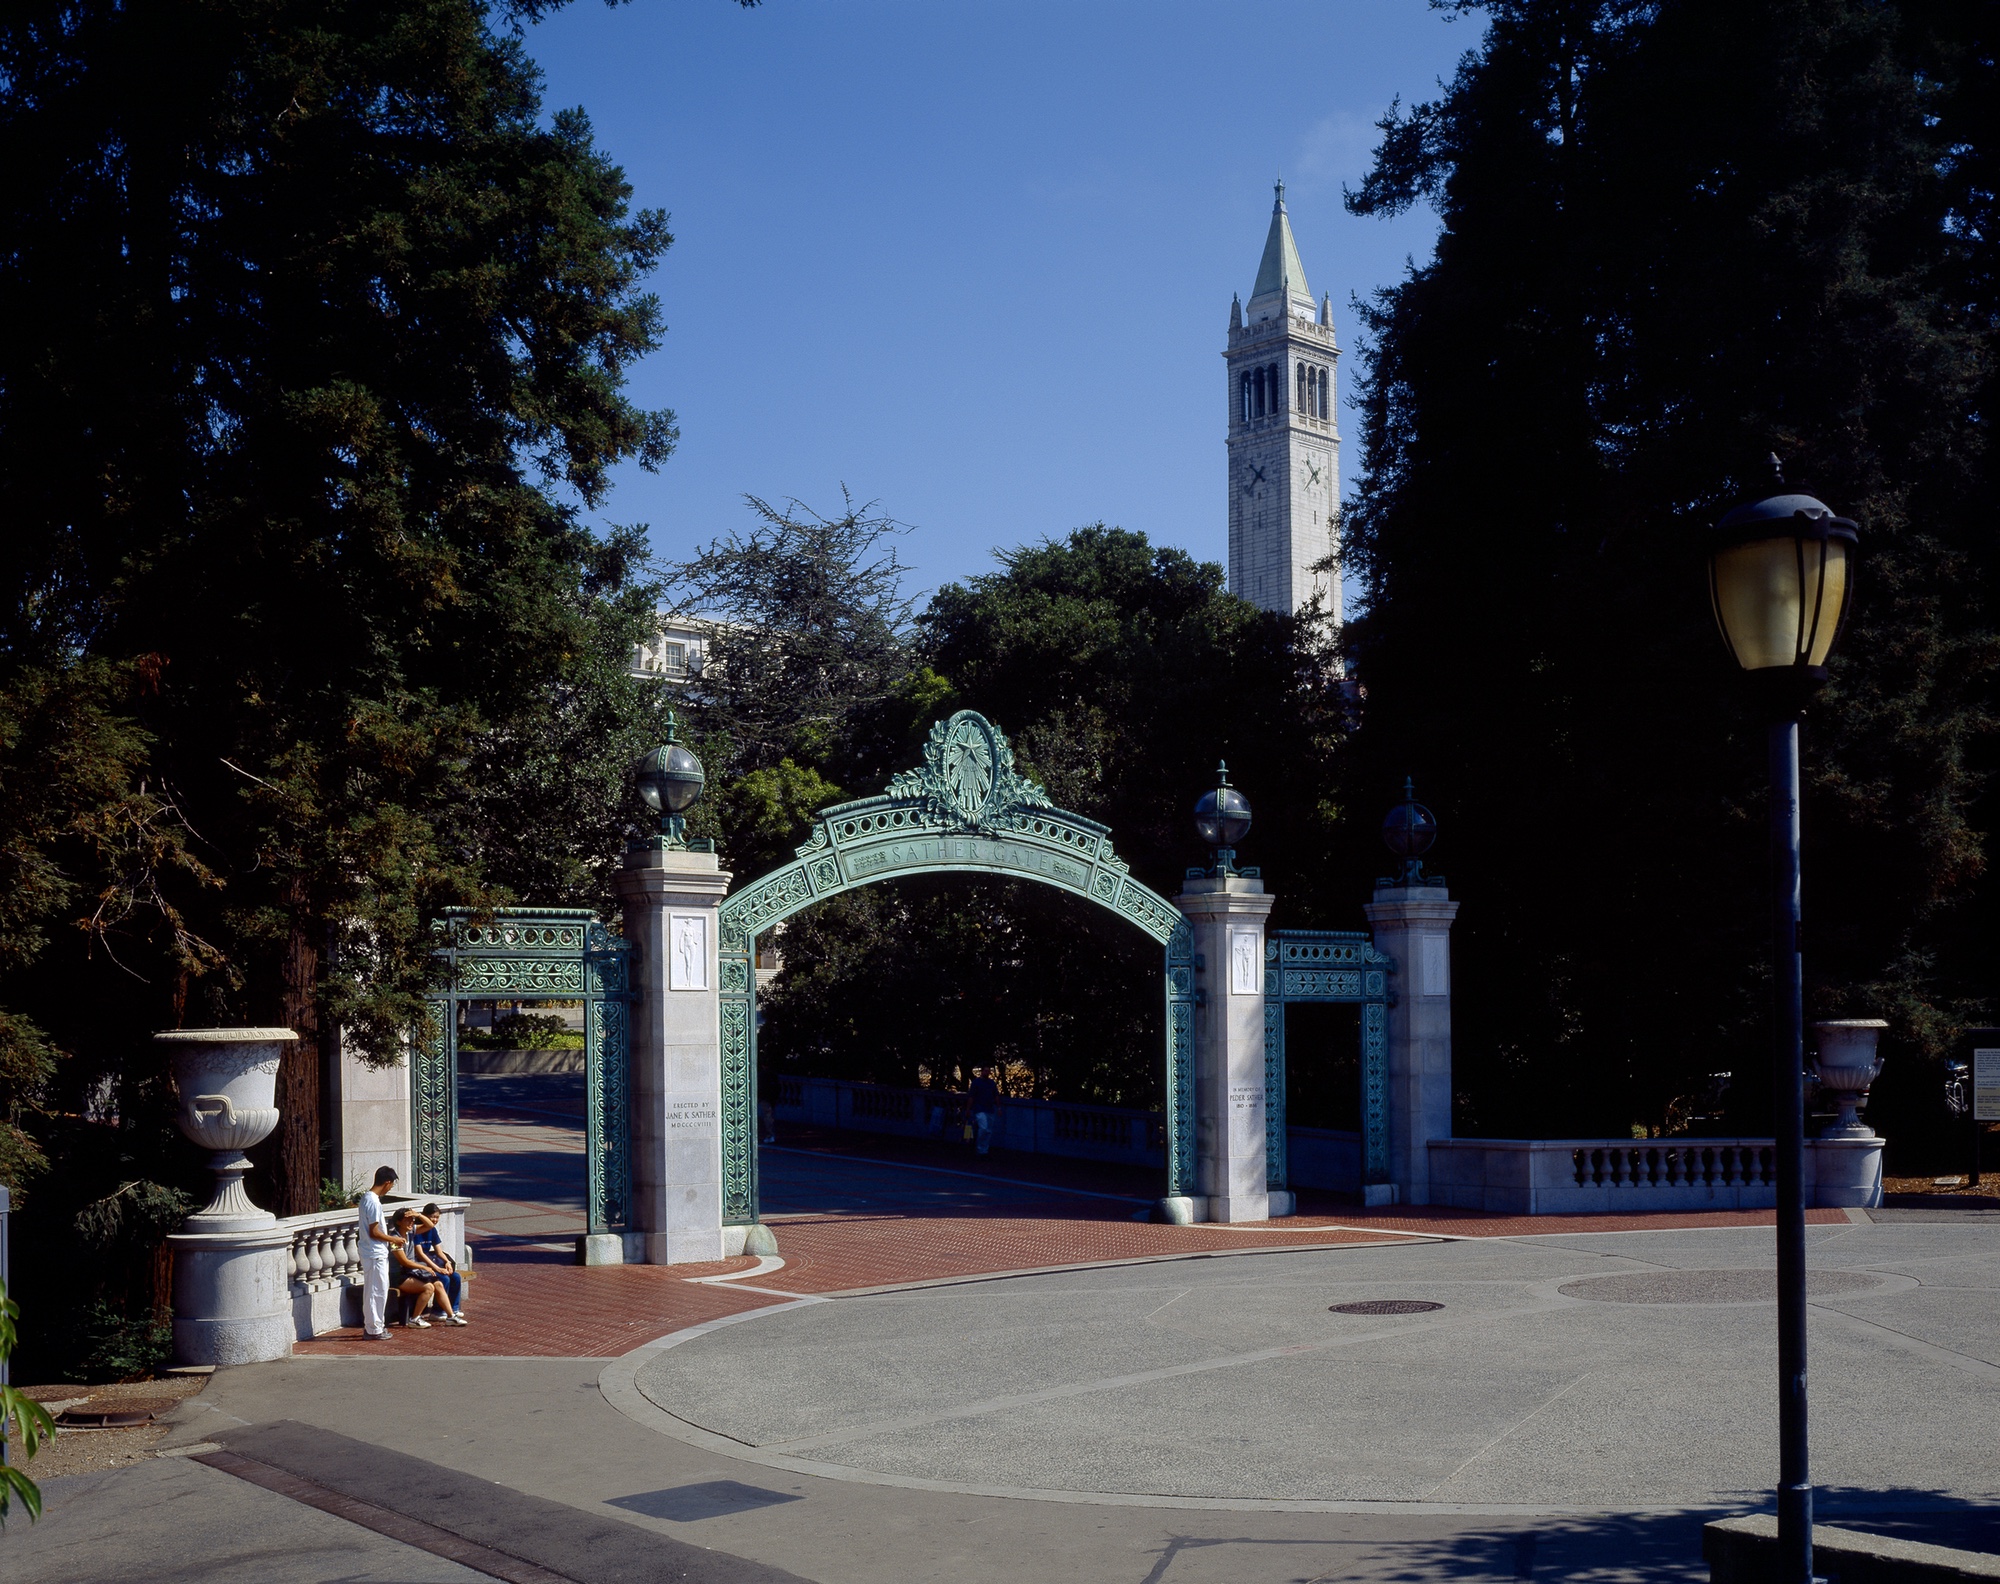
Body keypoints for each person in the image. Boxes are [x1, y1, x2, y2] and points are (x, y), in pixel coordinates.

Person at [358, 1166, 405, 1340]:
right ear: (387, 1183)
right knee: (376, 1291)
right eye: (391, 1185)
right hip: (374, 1253)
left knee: (377, 1290)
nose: (390, 1188)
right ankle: (373, 1328)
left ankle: (374, 1326)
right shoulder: (373, 1202)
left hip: (372, 1251)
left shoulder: (367, 1199)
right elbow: (374, 1232)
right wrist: (394, 1240)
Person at [388, 1208, 454, 1327]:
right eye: (407, 1220)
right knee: (428, 1288)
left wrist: (418, 1215)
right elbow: (404, 1262)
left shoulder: (411, 1232)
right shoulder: (394, 1238)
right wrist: (425, 1268)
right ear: (398, 1222)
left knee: (438, 1284)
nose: (411, 1223)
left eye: (412, 1220)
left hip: (411, 1272)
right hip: (398, 1276)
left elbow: (429, 1225)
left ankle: (451, 1316)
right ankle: (415, 1318)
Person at [408, 1203, 467, 1323]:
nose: (435, 1220)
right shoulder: (417, 1229)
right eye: (432, 1217)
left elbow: (438, 1251)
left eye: (437, 1217)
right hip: (421, 1264)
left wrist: (447, 1262)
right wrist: (437, 1269)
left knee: (455, 1276)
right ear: (425, 1216)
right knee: (443, 1279)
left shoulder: (432, 1230)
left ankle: (454, 1308)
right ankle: (437, 1311)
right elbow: (421, 1255)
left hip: (431, 1261)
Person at [967, 1064, 1001, 1156]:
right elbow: (971, 1096)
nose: (987, 1072)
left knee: (988, 1130)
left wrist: (999, 1107)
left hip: (989, 1109)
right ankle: (979, 1147)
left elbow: (996, 1095)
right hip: (979, 1108)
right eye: (985, 1071)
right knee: (984, 1128)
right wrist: (969, 1109)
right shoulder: (976, 1082)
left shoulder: (991, 1083)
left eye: (988, 1071)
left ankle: (984, 1150)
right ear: (981, 1071)